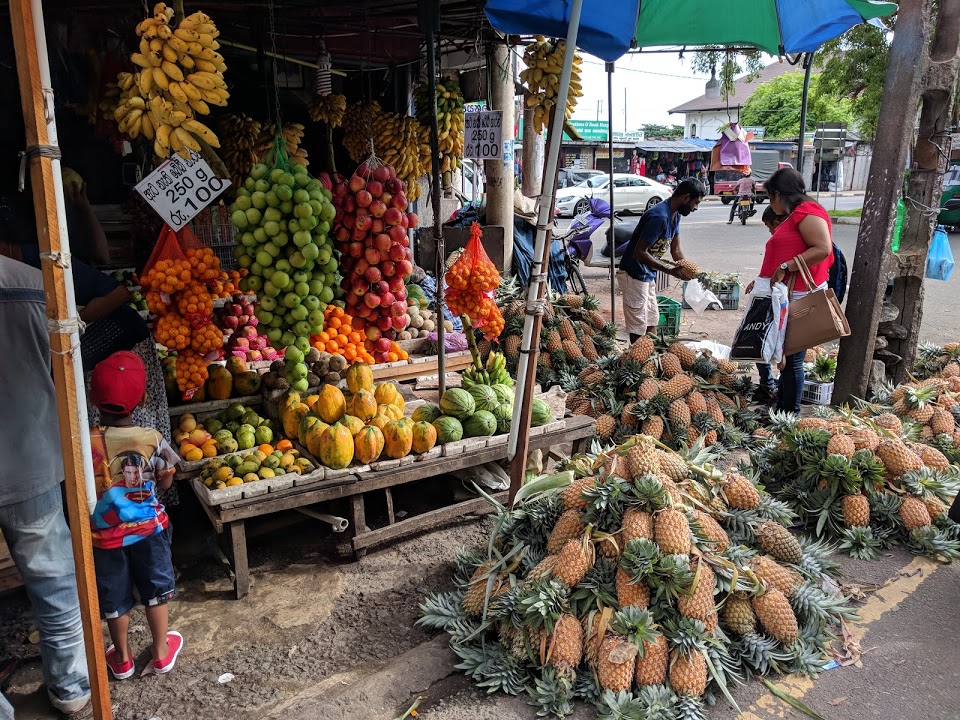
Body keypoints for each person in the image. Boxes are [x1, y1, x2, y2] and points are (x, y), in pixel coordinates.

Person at [0, 192, 171, 443]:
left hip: (119, 344)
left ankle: (145, 474)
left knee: (129, 428)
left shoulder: (42, 260)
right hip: (86, 354)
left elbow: (120, 292)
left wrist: (71, 323)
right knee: (98, 438)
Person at [0, 255, 92, 719]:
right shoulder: (36, 284)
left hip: (32, 459)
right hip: (32, 457)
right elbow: (67, 374)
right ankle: (72, 688)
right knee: (55, 583)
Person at [87, 351, 183, 679]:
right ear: (142, 398)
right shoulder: (150, 439)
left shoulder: (87, 443)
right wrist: (157, 477)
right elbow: (168, 476)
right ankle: (160, 652)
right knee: (156, 589)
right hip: (150, 530)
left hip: (105, 535)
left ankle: (123, 659)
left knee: (115, 597)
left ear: (91, 396)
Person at [756, 167, 834, 412]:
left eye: (770, 196)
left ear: (778, 194)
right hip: (789, 295)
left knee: (792, 361)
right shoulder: (797, 214)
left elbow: (823, 248)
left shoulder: (806, 212)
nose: (770, 202)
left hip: (799, 297)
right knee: (785, 359)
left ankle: (790, 414)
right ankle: (783, 409)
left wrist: (785, 266)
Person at [618, 179, 705, 341]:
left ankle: (653, 354)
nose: (696, 208)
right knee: (638, 324)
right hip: (634, 274)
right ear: (686, 197)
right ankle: (637, 361)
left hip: (647, 274)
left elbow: (676, 250)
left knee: (652, 319)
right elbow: (639, 253)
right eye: (695, 203)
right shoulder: (658, 217)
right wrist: (669, 270)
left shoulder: (675, 215)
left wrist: (690, 271)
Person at [746, 206, 787, 404]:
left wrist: (761, 282)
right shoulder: (787, 238)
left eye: (768, 226)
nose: (769, 231)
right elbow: (769, 269)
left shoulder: (778, 239)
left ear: (776, 222)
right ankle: (771, 386)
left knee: (759, 341)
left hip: (774, 301)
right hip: (775, 297)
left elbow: (773, 270)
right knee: (768, 344)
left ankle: (768, 386)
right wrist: (758, 280)